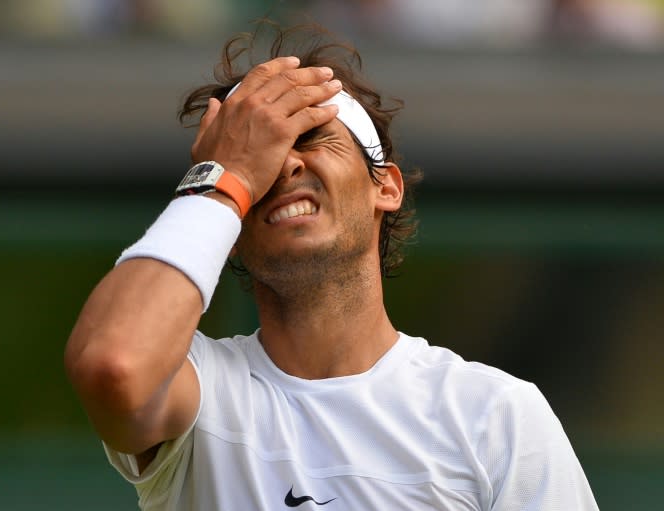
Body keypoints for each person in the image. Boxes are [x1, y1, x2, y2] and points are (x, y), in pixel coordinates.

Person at [64, 22, 599, 511]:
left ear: (384, 186)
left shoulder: (494, 415)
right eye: (258, 161)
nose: (284, 164)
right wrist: (223, 177)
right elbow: (114, 365)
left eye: (312, 139)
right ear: (225, 231)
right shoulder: (201, 389)